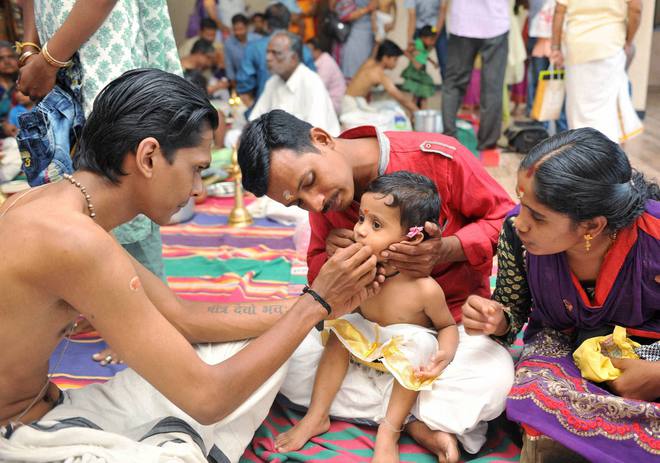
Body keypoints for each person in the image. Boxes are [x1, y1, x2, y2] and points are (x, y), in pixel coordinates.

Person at [0, 69, 381, 462]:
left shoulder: (63, 208)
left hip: (58, 410)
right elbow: (207, 398)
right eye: (197, 168)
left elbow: (182, 318)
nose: (199, 189)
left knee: (258, 343)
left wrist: (321, 308)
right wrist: (314, 303)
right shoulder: (74, 239)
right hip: (21, 440)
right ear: (149, 157)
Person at [238, 109, 516, 460]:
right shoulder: (324, 204)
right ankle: (413, 418)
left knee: (495, 379)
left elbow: (508, 222)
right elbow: (318, 280)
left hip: (445, 332)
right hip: (367, 336)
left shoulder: (440, 157)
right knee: (280, 360)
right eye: (298, 202)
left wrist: (446, 250)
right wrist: (332, 264)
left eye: (309, 181)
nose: (316, 204)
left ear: (322, 139)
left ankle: (395, 414)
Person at [461, 127, 659, 463]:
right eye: (522, 203)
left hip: (651, 348)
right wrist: (496, 320)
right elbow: (513, 311)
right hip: (566, 347)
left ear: (591, 227)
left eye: (537, 216)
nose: (520, 223)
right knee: (533, 395)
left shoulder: (653, 237)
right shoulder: (516, 234)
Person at [274, 171, 459, 462]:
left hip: (405, 373)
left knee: (424, 347)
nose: (360, 230)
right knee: (330, 337)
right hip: (365, 361)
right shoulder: (358, 272)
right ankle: (316, 415)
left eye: (375, 225)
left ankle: (390, 430)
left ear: (413, 238)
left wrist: (444, 355)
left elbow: (447, 326)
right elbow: (334, 314)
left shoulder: (424, 289)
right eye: (361, 218)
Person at [550, 0, 643, 143]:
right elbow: (636, 9)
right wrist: (629, 40)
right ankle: (606, 157)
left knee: (578, 110)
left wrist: (555, 47)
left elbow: (559, 11)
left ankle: (581, 154)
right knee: (606, 110)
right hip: (610, 44)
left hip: (577, 46)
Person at [441, 0, 510, 153]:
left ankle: (449, 137)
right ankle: (488, 142)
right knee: (493, 87)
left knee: (453, 84)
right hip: (495, 22)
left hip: (463, 21)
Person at [249, 31, 340, 136]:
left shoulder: (311, 83)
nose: (268, 58)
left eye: (276, 53)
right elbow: (255, 121)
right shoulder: (272, 82)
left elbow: (315, 136)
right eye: (268, 52)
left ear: (294, 58)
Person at [236, 2, 316, 108]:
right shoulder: (303, 49)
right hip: (297, 115)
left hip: (264, 117)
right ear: (289, 24)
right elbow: (311, 86)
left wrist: (255, 115)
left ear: (265, 24)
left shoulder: (253, 48)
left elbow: (244, 89)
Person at [342, 40, 418, 124]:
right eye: (395, 59)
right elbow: (400, 98)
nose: (396, 63)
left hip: (347, 102)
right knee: (392, 114)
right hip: (351, 108)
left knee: (390, 105)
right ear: (385, 58)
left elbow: (379, 45)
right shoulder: (379, 74)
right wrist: (416, 111)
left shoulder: (369, 62)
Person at [405, 0, 448, 80]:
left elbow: (443, 10)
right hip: (419, 29)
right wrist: (410, 40)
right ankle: (420, 90)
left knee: (445, 61)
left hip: (437, 27)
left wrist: (433, 38)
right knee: (419, 63)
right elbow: (412, 16)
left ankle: (449, 90)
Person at [337, 0, 376, 79]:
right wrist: (367, 9)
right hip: (355, 30)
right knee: (353, 65)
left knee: (366, 65)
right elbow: (344, 15)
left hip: (370, 31)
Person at [401, 25, 438, 109]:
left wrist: (433, 62)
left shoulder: (426, 46)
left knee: (423, 94)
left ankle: (422, 113)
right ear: (423, 37)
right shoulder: (417, 43)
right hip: (415, 72)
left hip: (422, 70)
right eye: (431, 39)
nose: (433, 42)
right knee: (416, 95)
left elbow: (425, 55)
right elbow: (405, 52)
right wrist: (413, 59)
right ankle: (413, 114)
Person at [307, 37, 345, 115]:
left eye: (308, 51)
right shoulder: (318, 62)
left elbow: (319, 87)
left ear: (317, 50)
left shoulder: (325, 62)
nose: (306, 54)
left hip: (335, 102)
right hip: (327, 100)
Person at [224, 14, 259, 89]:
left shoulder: (257, 39)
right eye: (235, 30)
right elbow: (229, 65)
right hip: (240, 81)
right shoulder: (229, 43)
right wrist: (234, 86)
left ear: (247, 27)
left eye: (241, 29)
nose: (238, 33)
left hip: (258, 78)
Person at [0, 41, 18, 139]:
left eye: (10, 57)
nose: (7, 62)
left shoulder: (25, 84)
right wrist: (3, 127)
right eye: (1, 58)